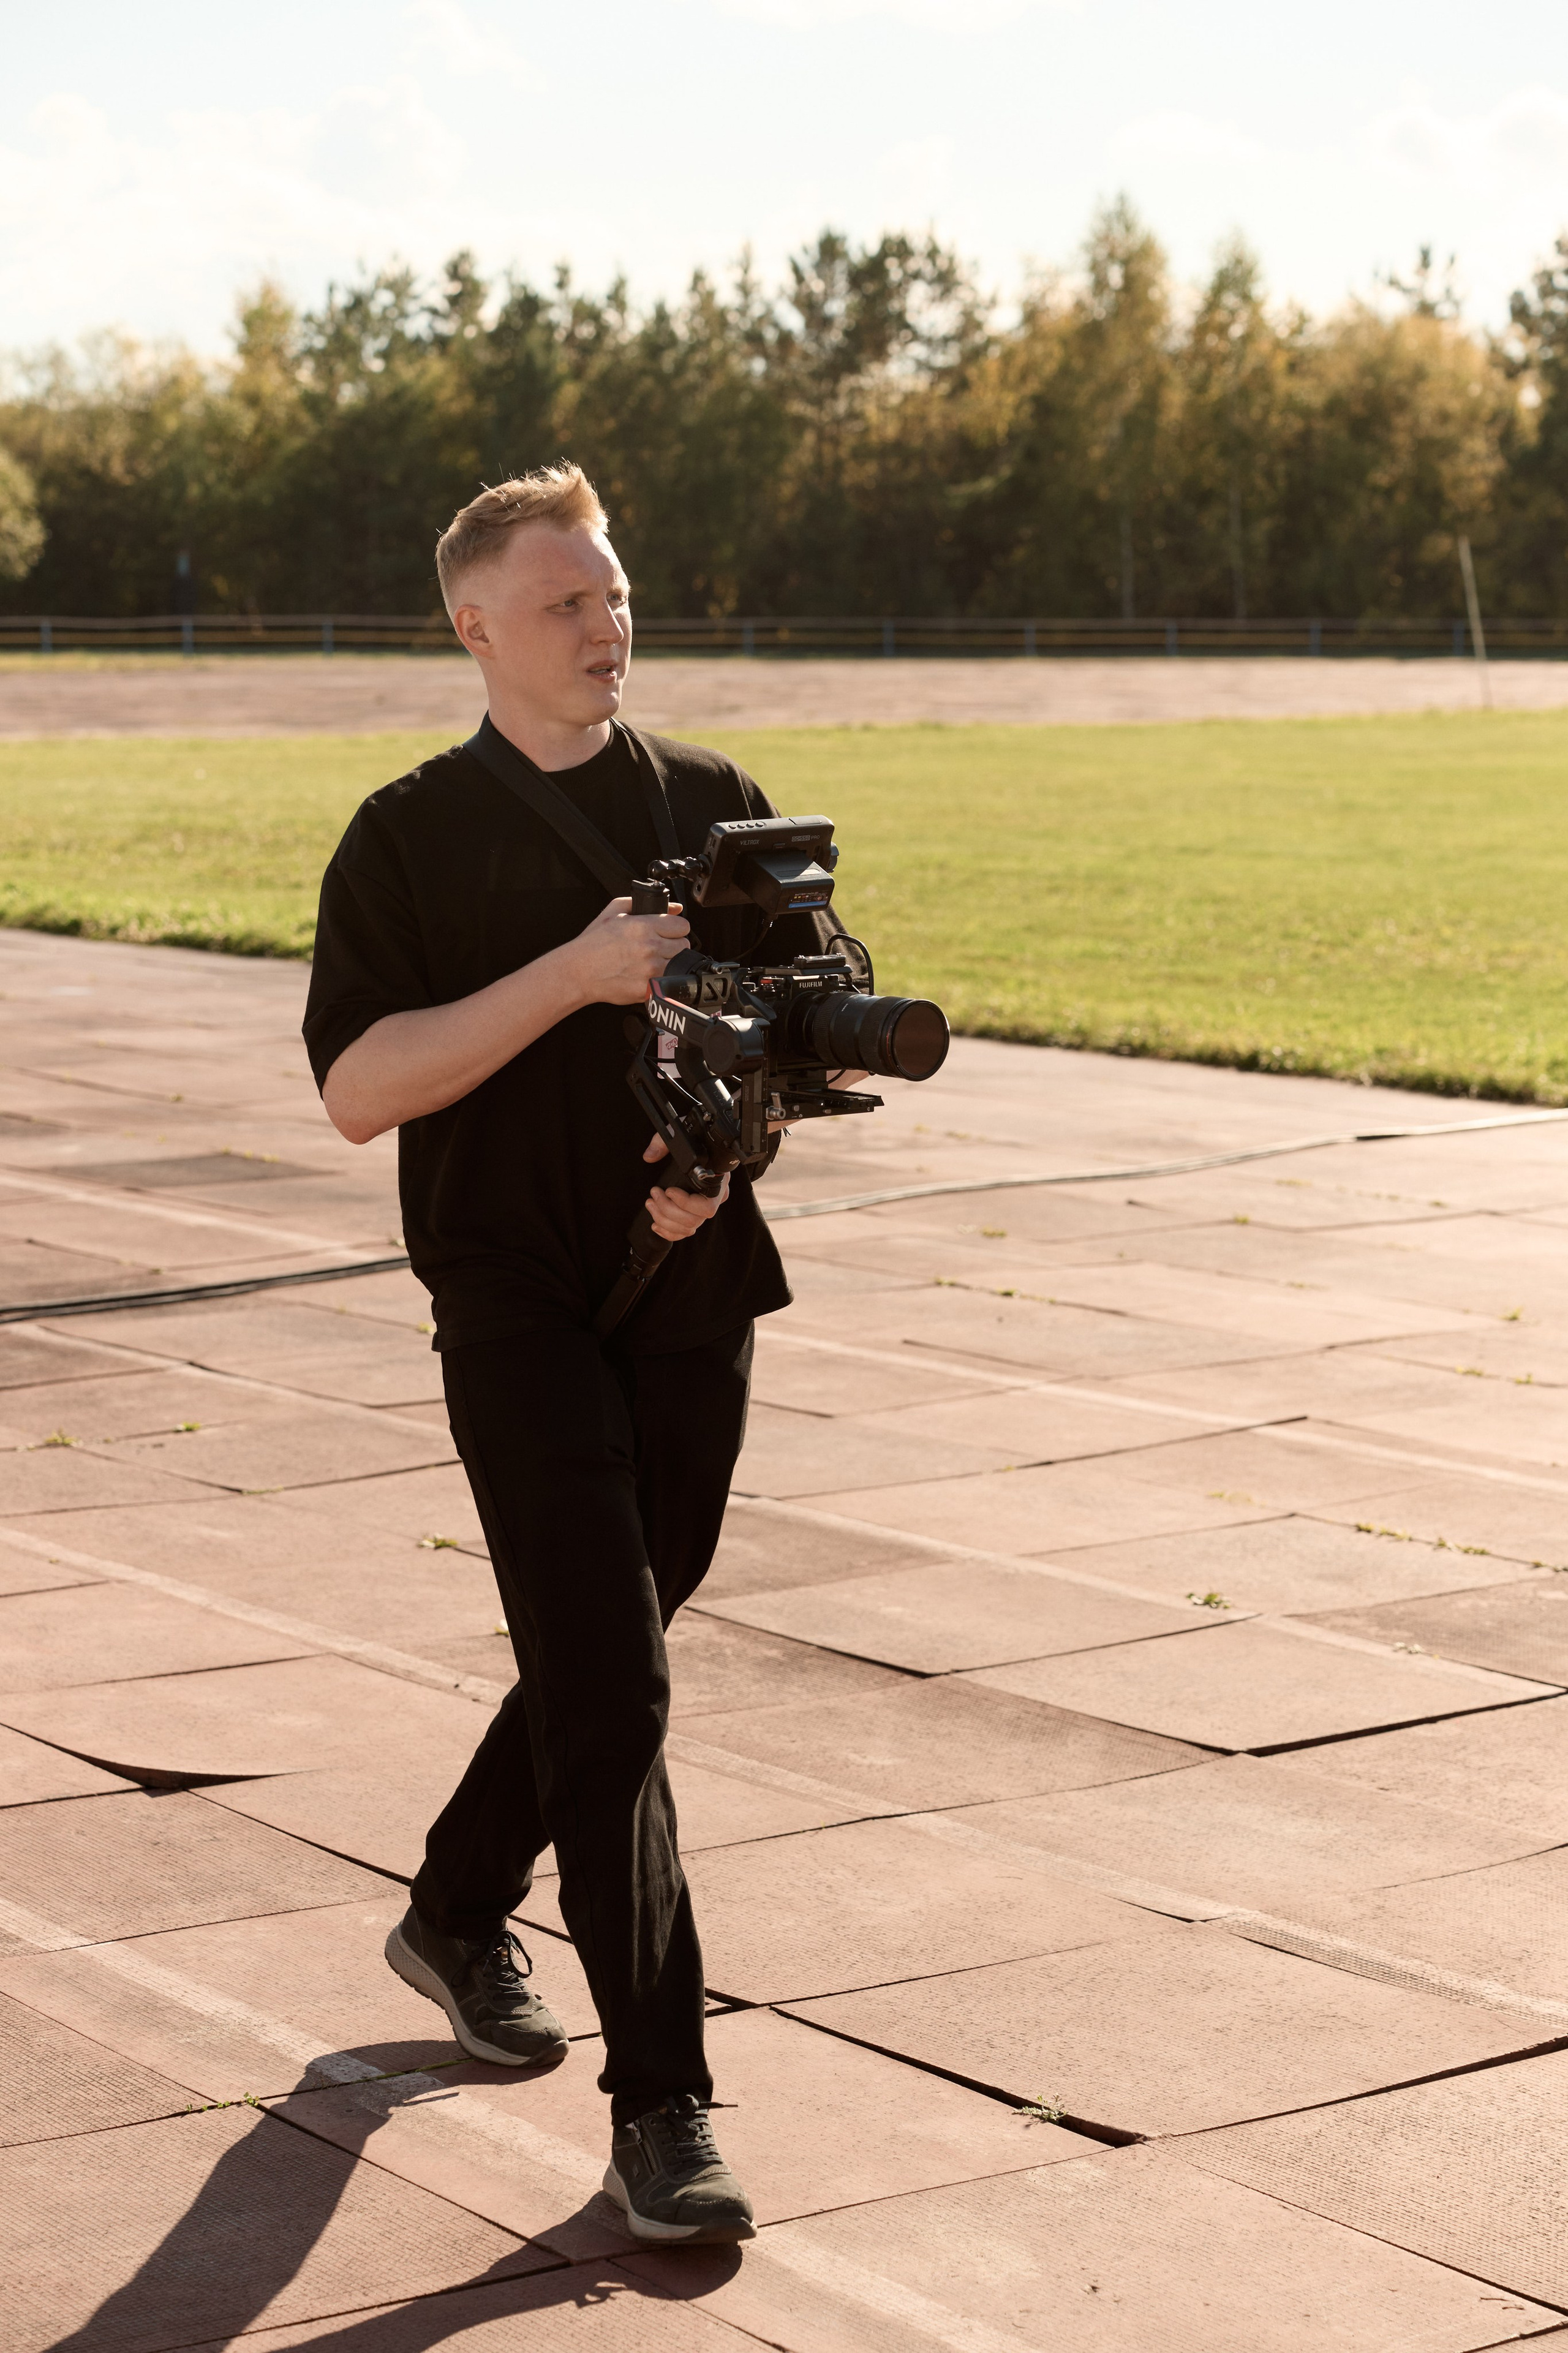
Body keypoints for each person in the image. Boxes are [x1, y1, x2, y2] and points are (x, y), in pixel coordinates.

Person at [301, 463, 836, 2247]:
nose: (609, 628)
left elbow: (807, 1037)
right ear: (474, 627)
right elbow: (360, 1089)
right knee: (614, 1686)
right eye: (567, 604)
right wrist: (578, 973)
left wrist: (730, 1157)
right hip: (512, 1296)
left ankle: (460, 1900)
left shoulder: (717, 804)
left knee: (625, 1621)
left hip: (693, 1274)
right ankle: (662, 2106)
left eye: (615, 595)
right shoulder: (404, 834)